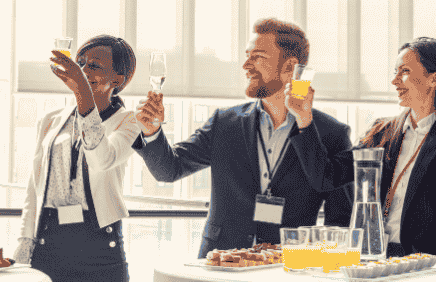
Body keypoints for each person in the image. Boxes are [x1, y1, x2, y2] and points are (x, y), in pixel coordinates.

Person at [133, 18, 353, 259]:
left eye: (257, 56)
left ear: (290, 67)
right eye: (247, 55)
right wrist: (152, 131)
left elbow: (340, 223)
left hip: (287, 273)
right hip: (221, 262)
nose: (246, 65)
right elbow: (169, 170)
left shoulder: (332, 134)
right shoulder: (225, 123)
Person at [12, 35, 139, 282]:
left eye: (95, 66)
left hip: (100, 255)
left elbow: (101, 159)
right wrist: (24, 249)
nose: (84, 70)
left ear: (118, 78)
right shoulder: (50, 121)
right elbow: (34, 190)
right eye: (81, 63)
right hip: (51, 251)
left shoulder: (128, 122)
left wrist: (85, 98)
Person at [290, 37, 436, 257]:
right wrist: (303, 118)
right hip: (376, 255)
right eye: (395, 71)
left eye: (404, 71)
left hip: (427, 262)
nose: (394, 81)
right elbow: (326, 177)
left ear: (433, 79)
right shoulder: (383, 132)